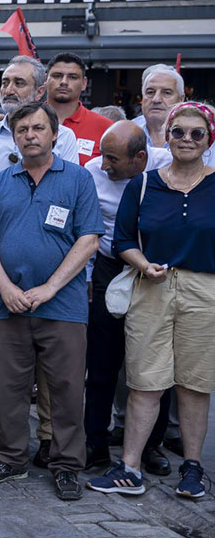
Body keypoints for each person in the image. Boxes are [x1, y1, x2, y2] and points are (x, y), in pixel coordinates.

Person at [0, 101, 102, 501]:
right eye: (22, 130)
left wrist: (50, 287)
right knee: (8, 389)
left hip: (62, 306)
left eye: (37, 128)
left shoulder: (78, 179)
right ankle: (10, 459)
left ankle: (66, 466)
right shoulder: (0, 182)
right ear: (14, 137)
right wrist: (4, 288)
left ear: (54, 133)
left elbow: (89, 239)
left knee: (65, 390)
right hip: (7, 304)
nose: (29, 135)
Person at [89, 103, 215, 500]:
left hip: (203, 290)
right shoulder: (143, 184)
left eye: (197, 133)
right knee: (145, 380)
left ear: (209, 139)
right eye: (178, 132)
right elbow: (122, 239)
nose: (186, 140)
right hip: (151, 286)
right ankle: (129, 467)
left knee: (194, 384)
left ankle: (192, 468)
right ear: (168, 136)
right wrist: (143, 263)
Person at [81, 121, 173, 474]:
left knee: (154, 367)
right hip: (109, 269)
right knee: (102, 364)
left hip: (158, 274)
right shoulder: (92, 172)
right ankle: (96, 444)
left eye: (113, 159)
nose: (104, 165)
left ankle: (151, 446)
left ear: (140, 158)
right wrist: (89, 278)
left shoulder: (165, 165)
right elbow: (87, 228)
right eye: (103, 156)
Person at [0, 56, 81, 182]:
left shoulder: (63, 136)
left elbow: (69, 187)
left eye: (19, 83)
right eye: (5, 83)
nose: (9, 90)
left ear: (39, 92)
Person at [46, 53, 112, 166]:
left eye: (72, 77)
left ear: (84, 83)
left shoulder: (105, 127)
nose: (64, 82)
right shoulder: (28, 121)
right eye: (57, 76)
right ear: (45, 79)